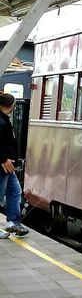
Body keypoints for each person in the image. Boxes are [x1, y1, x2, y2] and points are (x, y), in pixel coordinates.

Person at [0, 93, 27, 238]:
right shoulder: (1, 122)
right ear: (12, 106)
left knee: (15, 191)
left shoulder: (4, 120)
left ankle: (13, 222)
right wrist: (4, 160)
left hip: (7, 166)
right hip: (3, 165)